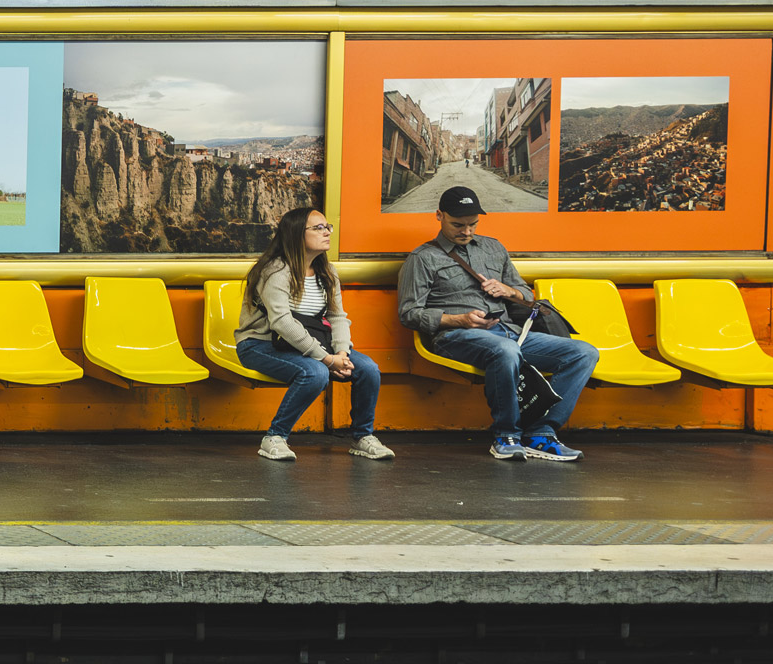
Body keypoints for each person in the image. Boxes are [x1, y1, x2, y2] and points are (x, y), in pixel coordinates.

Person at [394, 183, 598, 464]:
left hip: (510, 332)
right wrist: (458, 319)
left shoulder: (493, 247)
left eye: (473, 224)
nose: (467, 231)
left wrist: (508, 291)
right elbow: (409, 313)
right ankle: (506, 434)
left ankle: (541, 433)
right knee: (506, 350)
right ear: (439, 216)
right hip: (455, 335)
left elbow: (525, 294)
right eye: (458, 225)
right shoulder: (422, 258)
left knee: (583, 352)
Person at [235, 203, 390, 463]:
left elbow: (337, 317)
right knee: (315, 372)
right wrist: (327, 359)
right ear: (297, 234)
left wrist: (342, 352)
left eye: (327, 227)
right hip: (259, 345)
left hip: (307, 344)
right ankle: (275, 437)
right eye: (318, 228)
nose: (327, 232)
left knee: (368, 369)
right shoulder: (275, 271)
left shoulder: (327, 272)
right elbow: (282, 322)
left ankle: (363, 437)